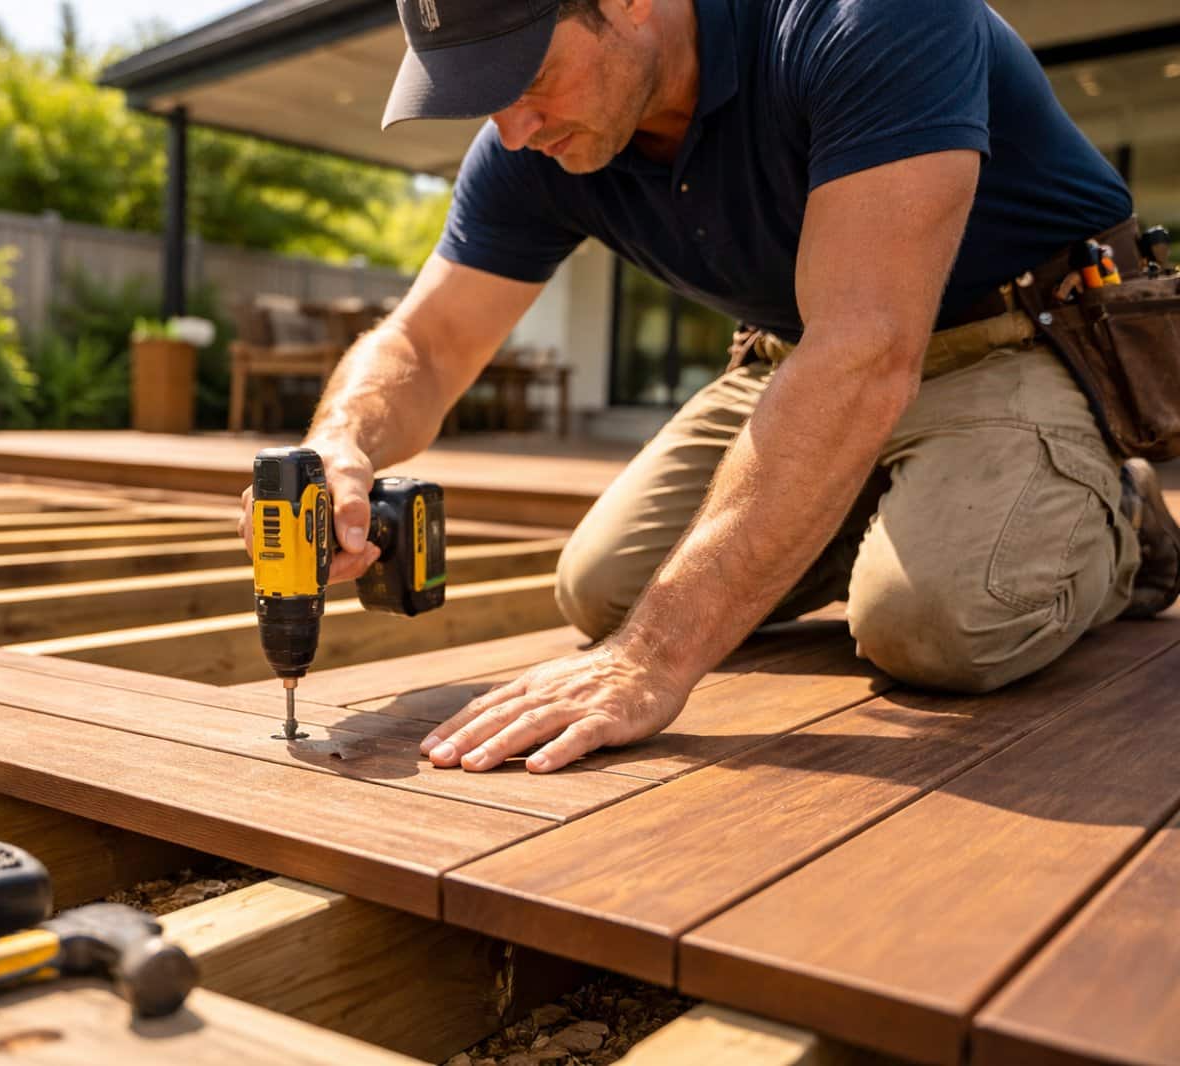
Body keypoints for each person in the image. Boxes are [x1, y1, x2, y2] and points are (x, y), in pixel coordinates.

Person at [238, 0, 1180, 774]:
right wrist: (342, 443)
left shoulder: (868, 18)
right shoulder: (536, 145)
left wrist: (653, 663)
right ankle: (892, 506)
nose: (511, 129)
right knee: (605, 591)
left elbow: (867, 349)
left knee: (938, 625)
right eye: (483, 99)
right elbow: (429, 340)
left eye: (525, 81)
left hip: (1008, 340)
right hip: (802, 361)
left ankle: (1119, 519)